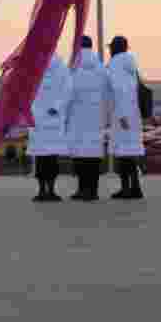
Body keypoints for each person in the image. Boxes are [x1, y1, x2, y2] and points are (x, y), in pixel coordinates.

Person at [67, 36, 109, 201]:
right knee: (93, 155)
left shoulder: (73, 69)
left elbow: (67, 94)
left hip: (78, 119)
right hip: (96, 119)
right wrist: (105, 117)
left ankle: (82, 189)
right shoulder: (101, 70)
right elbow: (108, 95)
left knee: (80, 156)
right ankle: (93, 190)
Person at [28, 55, 74, 202]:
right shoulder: (36, 63)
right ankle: (46, 190)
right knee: (46, 157)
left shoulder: (55, 65)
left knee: (47, 157)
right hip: (44, 117)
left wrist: (56, 107)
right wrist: (57, 107)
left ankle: (47, 190)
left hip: (44, 117)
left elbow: (68, 88)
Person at [106, 36, 146, 199]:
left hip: (122, 114)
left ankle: (126, 189)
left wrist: (121, 114)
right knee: (131, 151)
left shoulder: (115, 64)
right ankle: (135, 187)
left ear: (114, 48)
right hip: (133, 112)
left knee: (124, 154)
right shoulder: (131, 64)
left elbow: (118, 90)